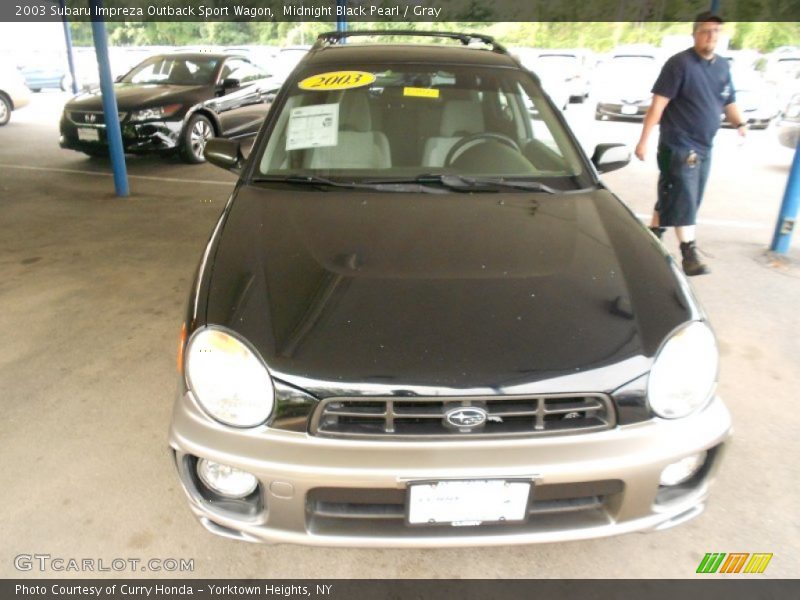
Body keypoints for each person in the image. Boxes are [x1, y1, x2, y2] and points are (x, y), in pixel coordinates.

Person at [635, 12, 746, 276]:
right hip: (678, 143)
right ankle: (689, 254)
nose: (711, 36)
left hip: (705, 145)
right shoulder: (679, 64)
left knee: (677, 195)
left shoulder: (722, 67)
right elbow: (658, 105)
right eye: (706, 31)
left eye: (716, 32)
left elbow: (728, 101)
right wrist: (643, 141)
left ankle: (650, 241)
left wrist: (740, 124)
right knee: (684, 194)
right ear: (695, 33)